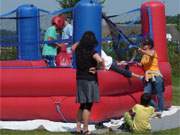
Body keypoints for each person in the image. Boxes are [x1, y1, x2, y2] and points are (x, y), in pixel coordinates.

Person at [75, 31, 104, 135]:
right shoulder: (92, 52)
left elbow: (74, 46)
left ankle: (78, 128)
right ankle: (85, 129)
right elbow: (100, 61)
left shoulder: (78, 50)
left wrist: (82, 41)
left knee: (82, 104)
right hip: (90, 79)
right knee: (88, 105)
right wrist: (97, 68)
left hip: (80, 78)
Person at [137, 38, 165, 111]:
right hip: (148, 77)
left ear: (149, 46)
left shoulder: (153, 52)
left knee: (159, 95)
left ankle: (160, 110)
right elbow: (143, 64)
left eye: (145, 44)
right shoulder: (144, 55)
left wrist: (142, 51)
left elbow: (151, 54)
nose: (144, 46)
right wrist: (138, 64)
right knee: (146, 95)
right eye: (143, 44)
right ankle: (156, 107)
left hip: (156, 76)